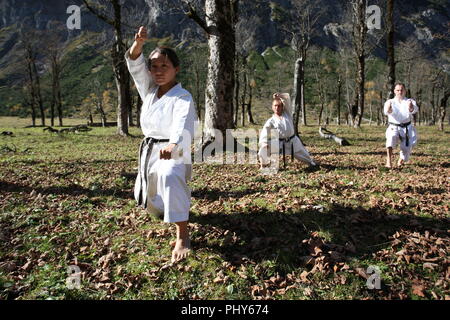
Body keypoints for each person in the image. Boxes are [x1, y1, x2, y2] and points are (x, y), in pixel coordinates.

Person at [125, 26, 197, 263]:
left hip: (173, 150)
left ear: (176, 69)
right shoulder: (149, 90)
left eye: (164, 66)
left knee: (169, 176)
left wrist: (174, 144)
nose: (158, 71)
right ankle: (170, 208)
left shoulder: (182, 96)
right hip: (149, 151)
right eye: (154, 66)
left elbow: (183, 123)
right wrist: (139, 44)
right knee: (146, 199)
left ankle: (183, 235)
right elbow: (135, 66)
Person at [258, 93, 316, 169]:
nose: (277, 108)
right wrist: (264, 142)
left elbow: (287, 98)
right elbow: (264, 131)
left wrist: (280, 96)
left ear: (282, 107)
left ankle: (312, 164)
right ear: (272, 107)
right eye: (275, 106)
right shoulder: (271, 120)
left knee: (305, 156)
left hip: (293, 141)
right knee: (264, 148)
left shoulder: (287, 114)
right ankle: (263, 166)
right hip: (279, 143)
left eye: (279, 106)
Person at [384, 83, 418, 168]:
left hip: (406, 127)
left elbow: (414, 110)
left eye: (402, 90)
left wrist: (411, 107)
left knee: (407, 148)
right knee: (390, 139)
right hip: (393, 126)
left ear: (405, 91)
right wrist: (389, 109)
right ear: (394, 91)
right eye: (398, 90)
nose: (400, 92)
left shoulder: (410, 101)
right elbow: (386, 112)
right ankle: (389, 161)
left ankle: (402, 159)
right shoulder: (390, 102)